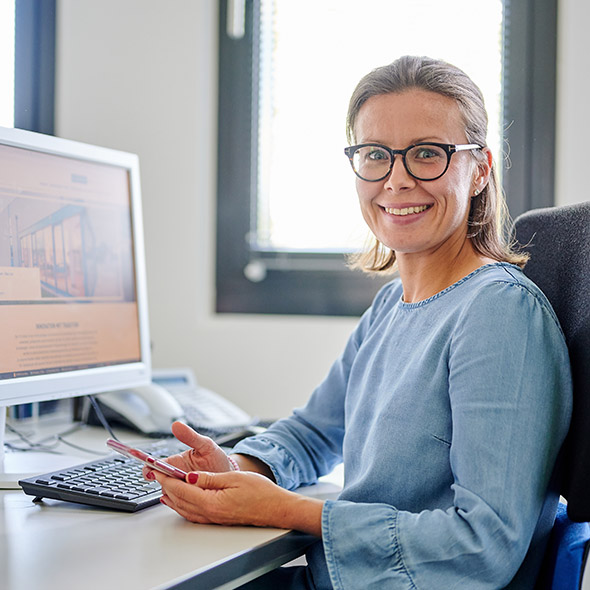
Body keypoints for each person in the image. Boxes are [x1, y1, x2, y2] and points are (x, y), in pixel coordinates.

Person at [144, 56, 572, 589]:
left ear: (480, 168)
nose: (397, 180)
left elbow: (482, 546)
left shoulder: (499, 313)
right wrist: (236, 472)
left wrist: (289, 511)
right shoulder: (392, 306)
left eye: (426, 154)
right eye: (376, 155)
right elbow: (312, 432)